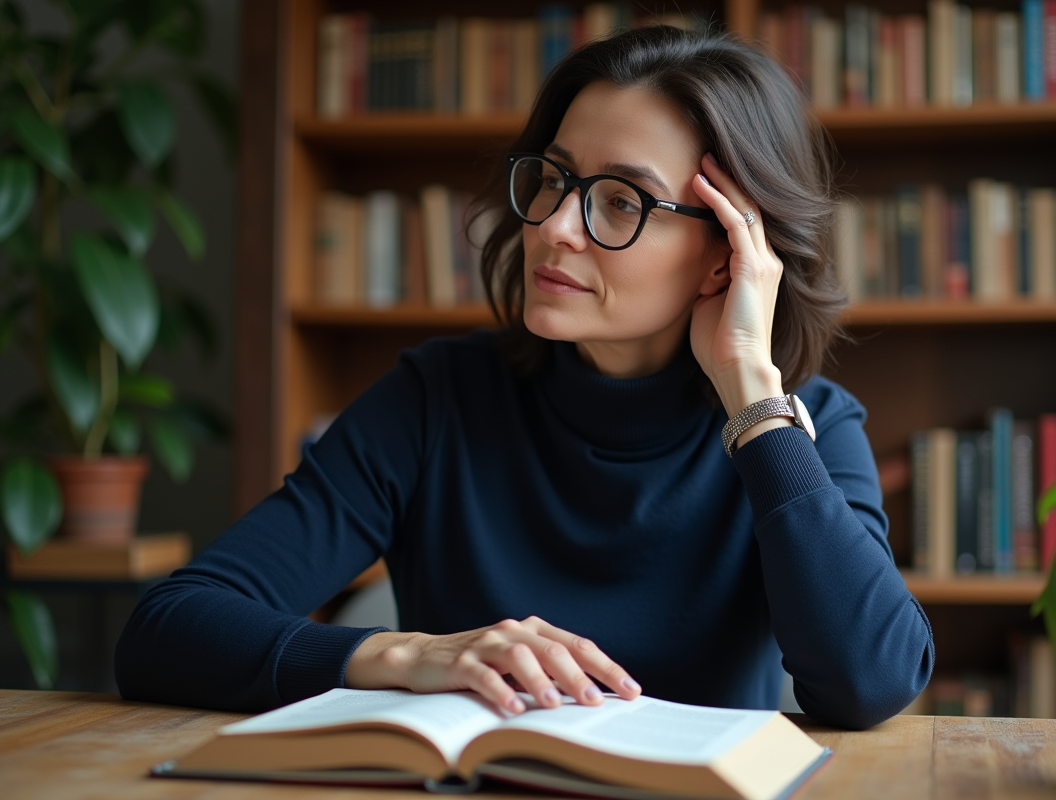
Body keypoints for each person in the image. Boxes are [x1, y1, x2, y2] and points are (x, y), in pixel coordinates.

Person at [115, 25, 934, 730]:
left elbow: (871, 683)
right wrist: (404, 656)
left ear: (727, 254)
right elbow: (167, 629)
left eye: (622, 201)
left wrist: (752, 397)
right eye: (554, 177)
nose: (555, 224)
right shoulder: (436, 399)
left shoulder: (801, 426)